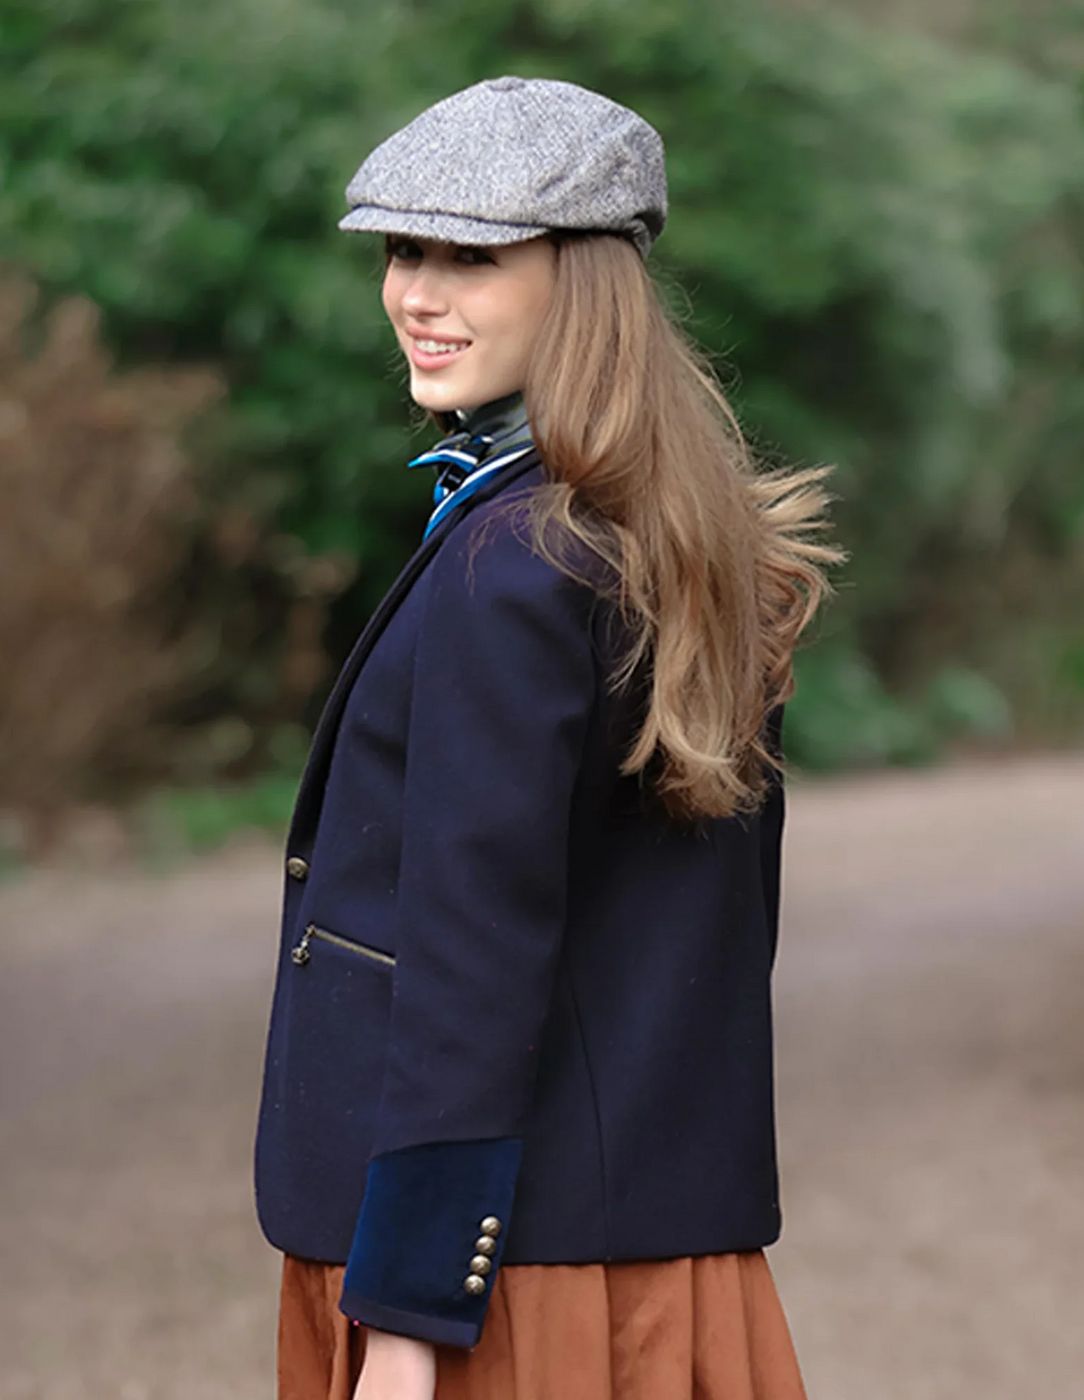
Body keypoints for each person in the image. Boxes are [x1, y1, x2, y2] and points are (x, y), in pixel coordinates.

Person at [253, 76, 839, 1400]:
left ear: (583, 287)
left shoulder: (513, 567)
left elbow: (470, 952)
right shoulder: (680, 539)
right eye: (403, 251)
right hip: (661, 1247)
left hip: (496, 1282)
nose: (416, 293)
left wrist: (407, 1315)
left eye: (471, 258)